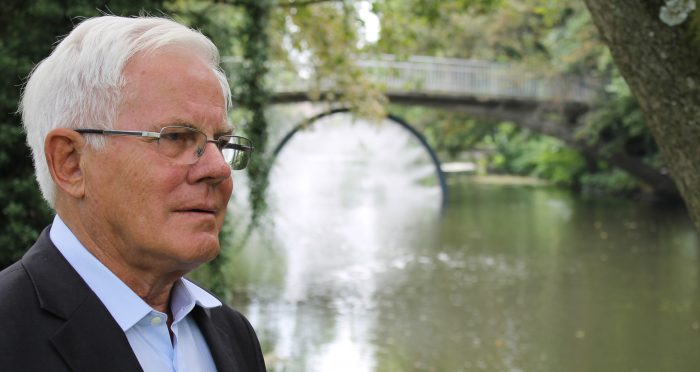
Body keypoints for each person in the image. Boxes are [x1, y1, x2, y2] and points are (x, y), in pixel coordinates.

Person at [0, 15, 266, 372]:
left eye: (220, 142)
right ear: (71, 163)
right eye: (175, 137)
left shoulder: (233, 336)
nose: (218, 168)